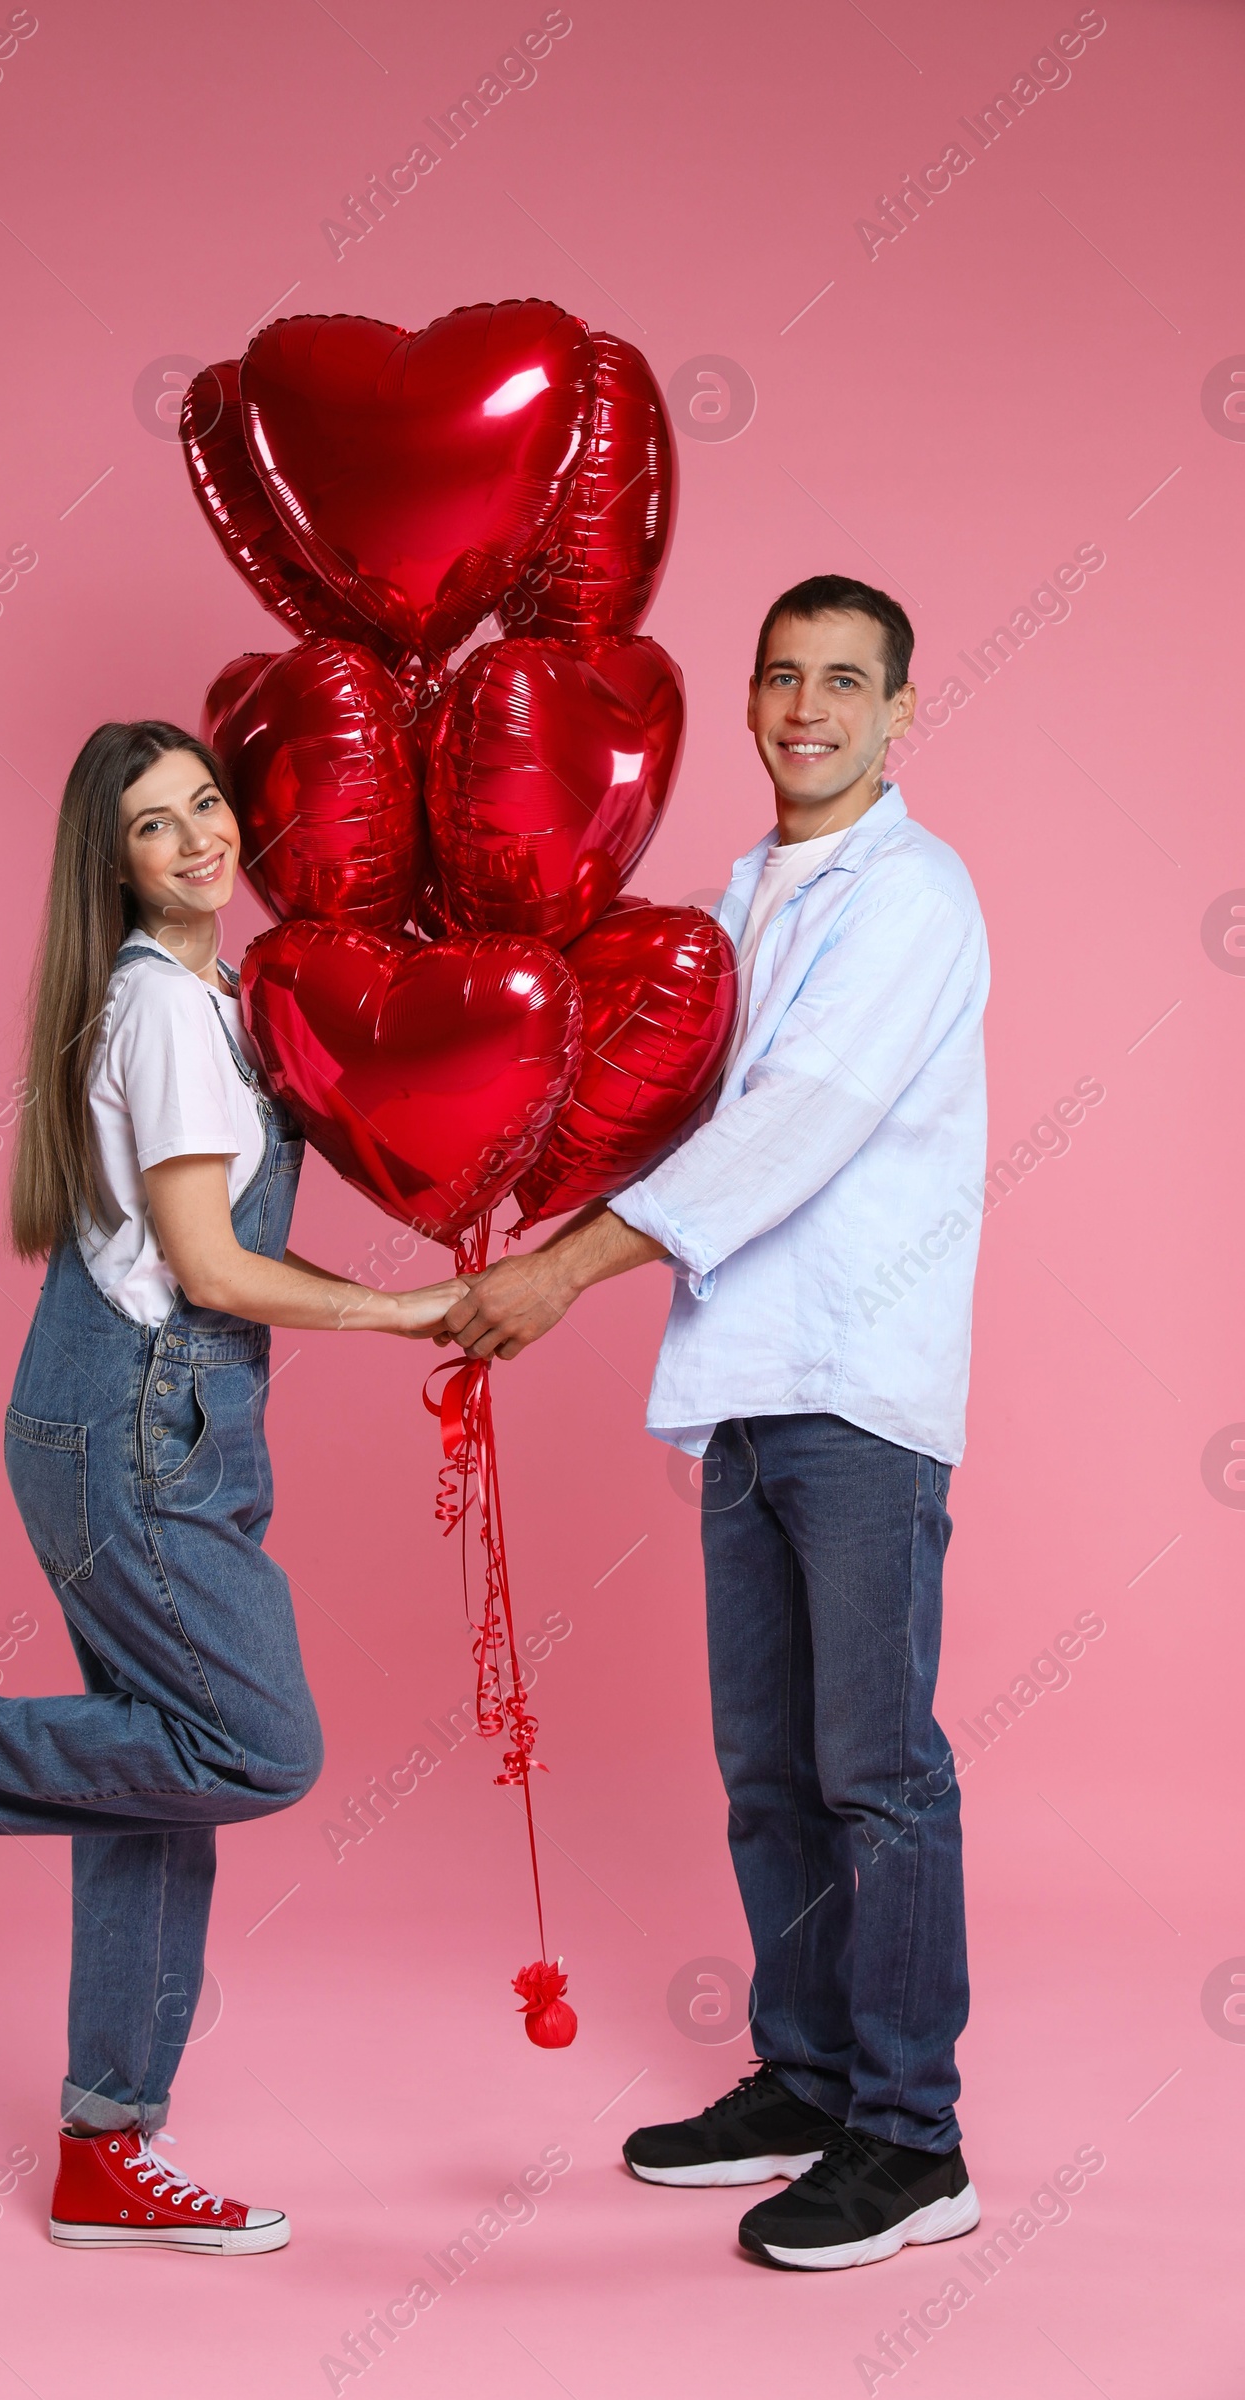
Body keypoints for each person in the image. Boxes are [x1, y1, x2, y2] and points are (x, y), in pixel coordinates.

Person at [0, 720, 464, 2255]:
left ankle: (103, 2151)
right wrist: (402, 1310)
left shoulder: (216, 997)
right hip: (136, 1426)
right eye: (155, 824)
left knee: (156, 1786)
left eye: (207, 804)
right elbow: (208, 1267)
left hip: (157, 1421)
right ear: (110, 864)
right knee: (252, 1747)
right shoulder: (170, 1019)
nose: (200, 838)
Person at [442, 576, 990, 2272]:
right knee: (768, 1772)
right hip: (744, 1387)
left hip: (855, 1383)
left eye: (847, 681)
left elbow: (789, 1133)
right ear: (749, 703)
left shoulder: (916, 899)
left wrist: (560, 1276)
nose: (807, 707)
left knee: (876, 1771)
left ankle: (912, 2139)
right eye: (781, 677)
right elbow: (646, 1091)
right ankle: (811, 2079)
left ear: (904, 711)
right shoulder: (738, 895)